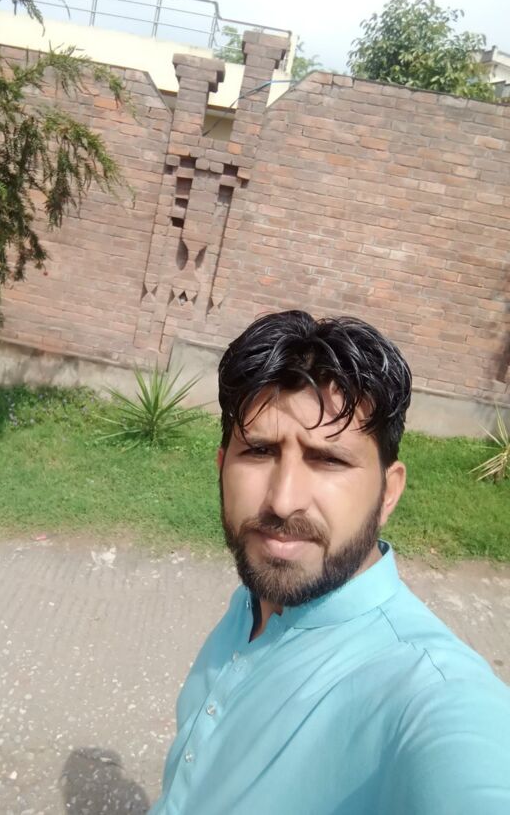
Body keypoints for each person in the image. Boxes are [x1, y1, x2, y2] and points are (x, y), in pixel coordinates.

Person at [149, 310, 510, 815]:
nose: (282, 502)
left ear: (388, 492)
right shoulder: (255, 600)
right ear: (222, 466)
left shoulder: (430, 690)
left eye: (329, 459)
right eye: (259, 451)